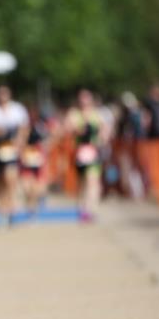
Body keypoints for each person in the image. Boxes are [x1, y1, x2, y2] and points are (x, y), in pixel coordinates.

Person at [0, 85, 29, 228]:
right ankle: (0, 210)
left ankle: (9, 209)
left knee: (10, 179)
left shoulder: (17, 109)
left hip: (11, 149)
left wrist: (20, 144)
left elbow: (24, 129)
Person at [66, 89, 105, 222]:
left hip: (93, 152)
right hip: (79, 153)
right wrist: (77, 130)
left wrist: (100, 139)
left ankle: (90, 209)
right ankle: (82, 208)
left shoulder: (96, 114)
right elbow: (68, 129)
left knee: (92, 180)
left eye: (87, 98)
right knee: (82, 182)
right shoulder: (74, 114)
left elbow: (104, 131)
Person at [19, 104, 50, 214]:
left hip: (38, 158)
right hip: (27, 158)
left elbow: (49, 139)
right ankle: (30, 205)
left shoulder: (42, 126)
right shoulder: (24, 127)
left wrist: (44, 149)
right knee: (27, 187)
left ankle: (34, 206)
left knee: (37, 186)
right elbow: (21, 141)